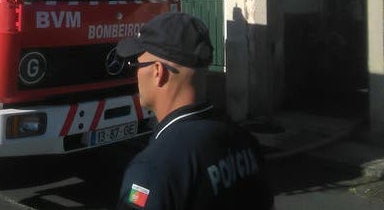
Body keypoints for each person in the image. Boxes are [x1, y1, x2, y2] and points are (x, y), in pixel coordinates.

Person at [115, 12, 274, 209]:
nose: (135, 75)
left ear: (158, 72)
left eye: (136, 65)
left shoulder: (152, 170)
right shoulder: (245, 142)